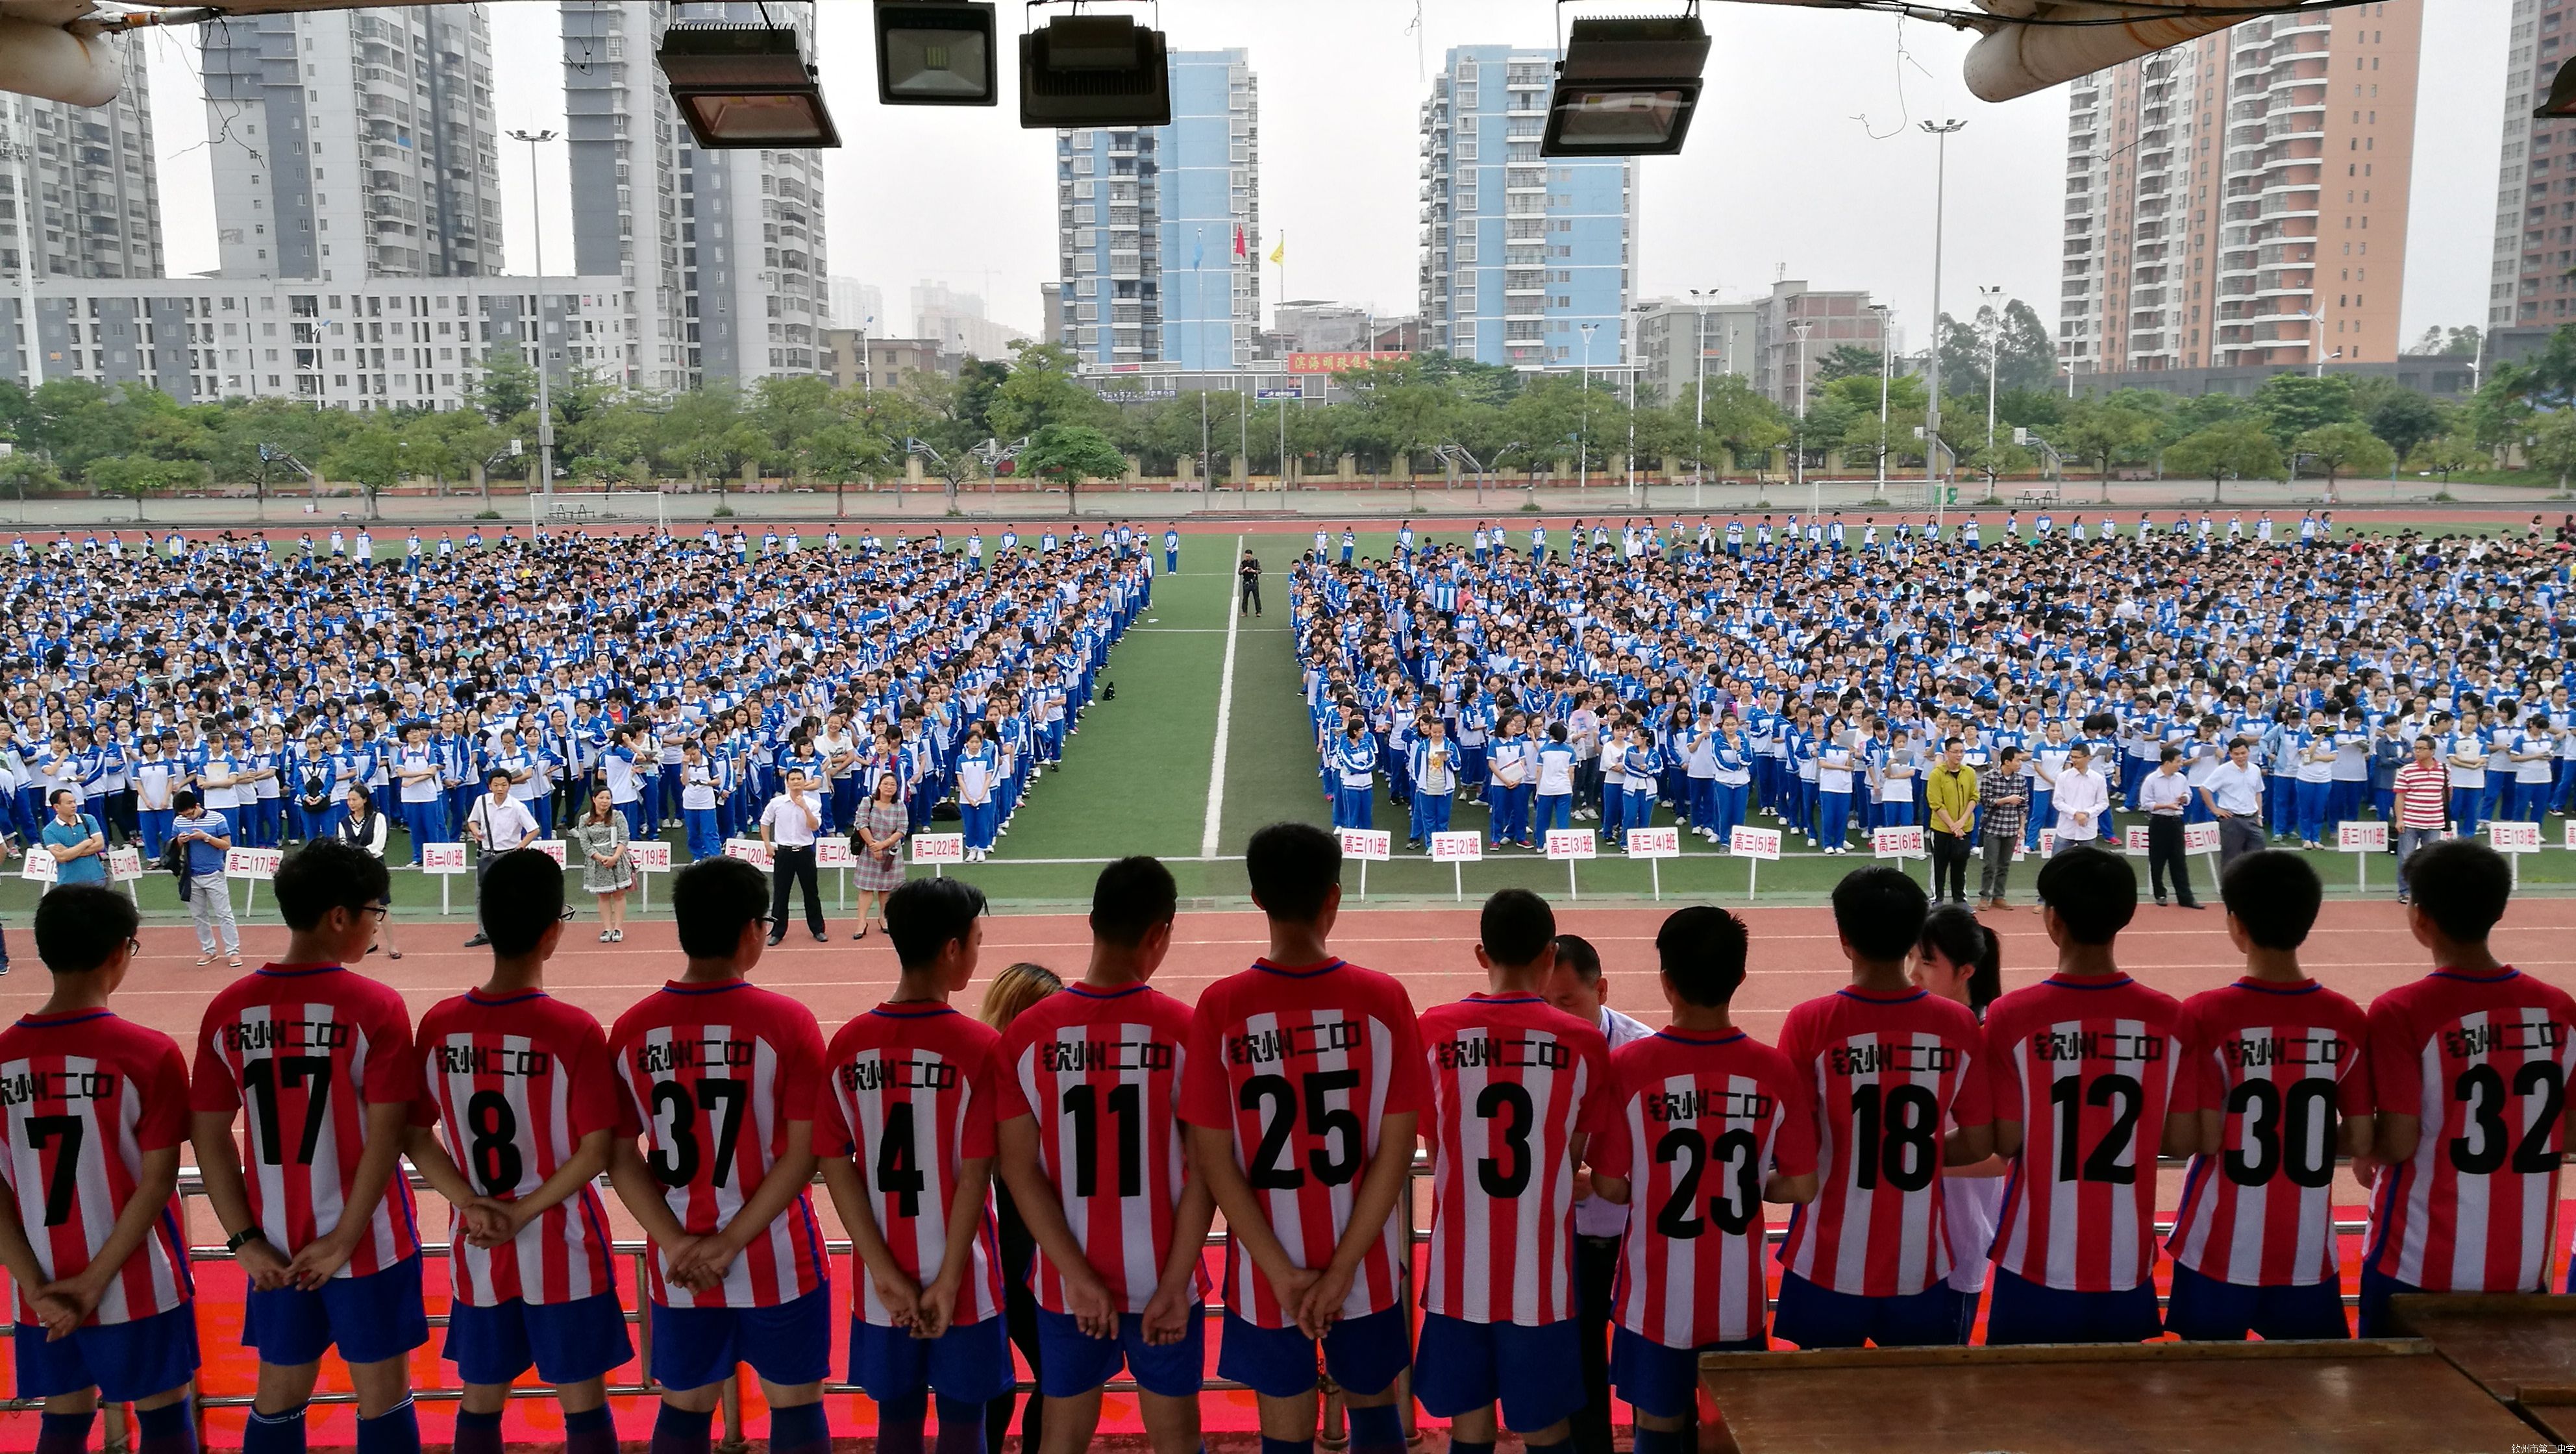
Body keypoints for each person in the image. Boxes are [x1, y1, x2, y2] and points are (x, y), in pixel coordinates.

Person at [1180, 823, 1424, 1454]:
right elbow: (1396, 1150)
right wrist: (1341, 1269)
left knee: (1282, 1433)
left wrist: (1282, 1272)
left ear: (1256, 896)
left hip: (1265, 1271)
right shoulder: (1383, 999)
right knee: (1376, 1415)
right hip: (1364, 1265)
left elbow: (1211, 1156)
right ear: (1334, 896)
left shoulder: (1221, 1005)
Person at [188, 838, 427, 1454]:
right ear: (341, 917)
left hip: (275, 1243)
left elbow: (210, 1134)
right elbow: (387, 1132)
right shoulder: (374, 1005)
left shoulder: (228, 1008)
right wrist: (345, 1238)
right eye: (376, 910)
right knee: (383, 1393)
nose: (379, 923)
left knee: (279, 1393)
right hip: (368, 1241)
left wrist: (244, 1241)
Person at [402, 850, 629, 1454]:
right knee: (583, 1401)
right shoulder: (572, 1029)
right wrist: (522, 1213)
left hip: (475, 1245)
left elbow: (415, 1133)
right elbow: (597, 1149)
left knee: (480, 1398)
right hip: (563, 1241)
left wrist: (472, 1205)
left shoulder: (440, 1025)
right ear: (553, 931)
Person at [604, 856, 832, 1454]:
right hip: (780, 1254)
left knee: (683, 1410)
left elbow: (621, 1157)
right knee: (797, 1407)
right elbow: (805, 1150)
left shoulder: (632, 1029)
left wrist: (679, 1243)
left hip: (678, 1261)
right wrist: (733, 1243)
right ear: (752, 931)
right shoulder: (787, 1022)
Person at [995, 858, 1210, 1454]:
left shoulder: (1024, 1036)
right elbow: (1205, 1173)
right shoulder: (1186, 1031)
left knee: (1062, 1435)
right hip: (1164, 1280)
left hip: (1067, 1284)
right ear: (1160, 933)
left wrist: (1077, 1277)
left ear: (1091, 921)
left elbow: (1018, 1169)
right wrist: (1172, 1282)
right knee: (1177, 1437)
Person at [1586, 906, 1817, 1454]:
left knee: (1658, 1430)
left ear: (1666, 981)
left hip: (1654, 1298)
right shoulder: (1774, 1070)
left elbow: (1610, 1186)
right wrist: (1750, 1182)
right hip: (1738, 1299)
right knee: (1726, 1431)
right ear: (1739, 978)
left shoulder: (1631, 1067)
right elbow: (1802, 1186)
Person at [0, 885, 201, 1454]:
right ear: (120, 952)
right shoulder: (148, 1053)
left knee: (64, 1418)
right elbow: (158, 1181)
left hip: (42, 1284)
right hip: (138, 1280)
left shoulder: (4, 1056)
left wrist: (37, 1287)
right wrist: (94, 1283)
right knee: (164, 1414)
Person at [1413, 891, 1611, 1451]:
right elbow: (1572, 1158)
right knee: (1546, 1427)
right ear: (1551, 955)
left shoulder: (1436, 1029)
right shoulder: (1583, 1042)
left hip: (1457, 1274)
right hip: (1542, 1276)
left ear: (1482, 954)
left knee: (1468, 1427)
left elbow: (1432, 1152)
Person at [815, 876, 1006, 1454]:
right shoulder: (979, 1047)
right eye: (976, 940)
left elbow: (833, 1160)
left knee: (895, 1421)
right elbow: (975, 1173)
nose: (977, 953)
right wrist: (947, 1280)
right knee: (963, 1420)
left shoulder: (849, 1043)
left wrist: (883, 1273)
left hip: (882, 1281)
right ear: (952, 949)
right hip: (965, 1276)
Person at [2357, 838, 2576, 1336]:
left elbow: (2397, 1141)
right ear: (2499, 910)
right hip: (2520, 1265)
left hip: (2417, 1262)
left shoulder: (2402, 1011)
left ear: (2421, 918)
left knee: (2399, 1397)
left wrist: (2361, 1148)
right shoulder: (2559, 1009)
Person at [1981, 846, 2193, 1344]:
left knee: (2018, 1401)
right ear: (2126, 915)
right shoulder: (2170, 1018)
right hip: (2125, 1257)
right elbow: (2182, 1139)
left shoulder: (2012, 1016)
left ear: (2053, 921)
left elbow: (2007, 1138)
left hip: (2032, 1255)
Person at [1774, 868, 1994, 1348]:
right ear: (1914, 935)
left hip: (1827, 1257)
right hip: (1921, 1259)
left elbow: (1793, 1144)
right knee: (1913, 1409)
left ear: (1843, 937)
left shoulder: (1810, 1022)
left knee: (1820, 1407)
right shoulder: (1957, 1024)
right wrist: (1920, 1156)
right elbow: (1980, 1140)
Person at [2162, 850, 2370, 1341]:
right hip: (2305, 1249)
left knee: (2206, 1391)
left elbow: (2203, 1136)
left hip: (2216, 1244)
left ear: (2236, 925)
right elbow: (2361, 1136)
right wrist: (2303, 1142)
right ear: (2309, 920)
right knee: (2306, 1395)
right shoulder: (2345, 1019)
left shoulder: (2205, 1014)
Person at [1538, 934, 1653, 1454]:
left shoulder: (1641, 1052)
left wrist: (1609, 1185)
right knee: (1578, 1354)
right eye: (1544, 1003)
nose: (1556, 1016)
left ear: (1601, 989)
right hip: (1566, 1238)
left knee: (1649, 1354)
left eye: (1567, 1003)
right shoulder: (1534, 1051)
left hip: (1634, 1234)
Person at [977, 961, 1063, 1454]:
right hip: (1020, 1251)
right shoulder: (1022, 1068)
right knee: (1048, 1377)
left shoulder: (987, 1061)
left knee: (999, 1382)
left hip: (990, 1247)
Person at [1911, 906, 2007, 1342]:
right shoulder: (1927, 1033)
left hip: (1957, 1240)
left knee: (1937, 1386)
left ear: (1966, 970)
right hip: (1907, 1239)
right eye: (1911, 958)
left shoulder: (1988, 1041)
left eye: (1928, 963)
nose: (1914, 973)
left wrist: (1902, 1165)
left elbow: (1996, 1157)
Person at [463, 769, 539, 950]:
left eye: (504, 785)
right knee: (482, 896)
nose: (500, 789)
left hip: (508, 854)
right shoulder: (482, 802)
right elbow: (472, 821)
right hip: (487, 853)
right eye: (496, 785)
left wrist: (520, 847)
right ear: (490, 786)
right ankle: (484, 933)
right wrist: (475, 831)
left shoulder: (517, 806)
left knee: (510, 895)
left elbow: (534, 829)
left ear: (510, 786)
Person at [169, 790, 242, 970]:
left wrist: (206, 837)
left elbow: (226, 845)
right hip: (191, 875)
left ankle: (233, 952)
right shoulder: (179, 821)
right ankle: (209, 950)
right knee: (199, 916)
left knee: (224, 914)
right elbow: (173, 846)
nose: (188, 818)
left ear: (197, 806)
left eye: (190, 814)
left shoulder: (218, 819)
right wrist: (179, 840)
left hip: (214, 873)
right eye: (184, 815)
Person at [760, 766, 830, 944]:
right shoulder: (777, 803)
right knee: (781, 893)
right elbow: (765, 822)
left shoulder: (813, 804)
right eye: (793, 779)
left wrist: (804, 808)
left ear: (805, 782)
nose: (796, 782)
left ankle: (817, 929)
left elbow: (814, 827)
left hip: (805, 852)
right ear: (787, 782)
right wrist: (768, 844)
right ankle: (778, 931)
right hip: (783, 853)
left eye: (800, 779)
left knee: (811, 892)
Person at [335, 785, 402, 960]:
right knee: (357, 906)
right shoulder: (343, 823)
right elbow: (343, 845)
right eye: (349, 800)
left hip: (374, 866)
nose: (351, 803)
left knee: (382, 904)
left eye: (355, 799)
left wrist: (359, 854)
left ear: (365, 800)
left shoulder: (377, 818)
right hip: (353, 868)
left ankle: (392, 946)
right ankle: (369, 942)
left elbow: (378, 845)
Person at [2140, 746, 2204, 909]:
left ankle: (2185, 897)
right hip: (2159, 822)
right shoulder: (2152, 779)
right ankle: (2160, 893)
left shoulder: (2181, 778)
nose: (2181, 764)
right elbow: (2146, 803)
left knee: (2179, 860)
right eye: (2178, 761)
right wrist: (2165, 805)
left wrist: (2184, 798)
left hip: (2177, 822)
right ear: (2167, 762)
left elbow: (2188, 795)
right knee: (2157, 860)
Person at [567, 786, 632, 943]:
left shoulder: (618, 816)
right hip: (596, 862)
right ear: (594, 799)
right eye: (602, 798)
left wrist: (615, 857)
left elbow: (624, 838)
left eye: (608, 798)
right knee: (603, 896)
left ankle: (618, 928)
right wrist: (600, 858)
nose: (605, 801)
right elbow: (585, 844)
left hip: (617, 859)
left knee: (619, 894)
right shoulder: (584, 819)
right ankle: (607, 928)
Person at [2391, 734, 2450, 906]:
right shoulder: (2406, 771)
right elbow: (2400, 797)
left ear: (2432, 751)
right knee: (2406, 858)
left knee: (2431, 860)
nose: (2417, 751)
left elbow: (2447, 794)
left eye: (2421, 748)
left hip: (2434, 822)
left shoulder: (2445, 770)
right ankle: (2405, 891)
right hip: (2410, 822)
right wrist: (2400, 819)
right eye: (2416, 748)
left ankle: (2428, 892)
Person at [850, 771, 909, 942]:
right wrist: (873, 846)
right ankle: (861, 923)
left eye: (893, 785)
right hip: (869, 850)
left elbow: (902, 829)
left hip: (891, 852)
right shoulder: (867, 802)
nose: (889, 787)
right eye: (886, 784)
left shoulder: (899, 805)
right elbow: (861, 823)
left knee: (887, 889)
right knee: (866, 888)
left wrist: (883, 845)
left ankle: (884, 919)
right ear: (879, 785)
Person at [2200, 736, 2268, 872]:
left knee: (2258, 858)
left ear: (2248, 752)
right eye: (2236, 754)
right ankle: (2229, 890)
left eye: (2243, 753)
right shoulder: (2223, 770)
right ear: (2230, 754)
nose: (2240, 757)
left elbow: (2258, 793)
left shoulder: (2255, 769)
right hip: (2232, 820)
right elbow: (2204, 789)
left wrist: (2260, 816)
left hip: (2252, 818)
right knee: (2231, 859)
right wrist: (2215, 810)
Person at [1977, 745, 2029, 910]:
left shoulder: (2021, 779)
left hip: (2012, 827)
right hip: (1993, 827)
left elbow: (2024, 806)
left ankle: (1999, 896)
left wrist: (2022, 827)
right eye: (2018, 760)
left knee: (2005, 864)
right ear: (2007, 761)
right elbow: (1985, 800)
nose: (2020, 763)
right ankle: (1985, 896)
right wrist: (2007, 799)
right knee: (1990, 864)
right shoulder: (1990, 777)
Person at [1925, 739, 1976, 906]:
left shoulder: (1969, 772)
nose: (1959, 755)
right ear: (1947, 753)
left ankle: (1960, 899)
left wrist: (1961, 822)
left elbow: (1974, 797)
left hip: (1964, 828)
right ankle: (1937, 898)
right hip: (1941, 829)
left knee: (1960, 865)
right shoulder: (1937, 774)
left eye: (1962, 751)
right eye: (1955, 751)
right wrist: (1952, 825)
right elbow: (1935, 803)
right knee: (1939, 865)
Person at [40, 789, 106, 889]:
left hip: (96, 878)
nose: (74, 805)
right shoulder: (49, 831)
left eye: (74, 802)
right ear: (57, 807)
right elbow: (62, 858)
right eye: (69, 803)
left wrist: (69, 852)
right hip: (68, 883)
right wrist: (86, 843)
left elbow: (100, 845)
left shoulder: (89, 819)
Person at [2050, 743, 2111, 852]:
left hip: (2088, 829)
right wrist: (2075, 814)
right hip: (2066, 828)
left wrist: (2087, 813)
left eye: (2077, 757)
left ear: (2088, 757)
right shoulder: (2063, 777)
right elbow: (2058, 801)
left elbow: (2103, 803)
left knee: (2087, 865)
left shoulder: (2098, 779)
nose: (2074, 760)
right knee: (2058, 864)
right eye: (2072, 757)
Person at [1238, 550, 1263, 617]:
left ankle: (1258, 611)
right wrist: (1244, 570)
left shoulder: (1255, 562)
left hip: (1254, 582)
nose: (1247, 558)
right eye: (1246, 556)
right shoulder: (1243, 563)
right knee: (1245, 598)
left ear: (1251, 555)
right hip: (1246, 583)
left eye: (1249, 556)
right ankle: (1245, 612)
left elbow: (1260, 571)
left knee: (1256, 598)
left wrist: (1253, 571)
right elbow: (1240, 572)